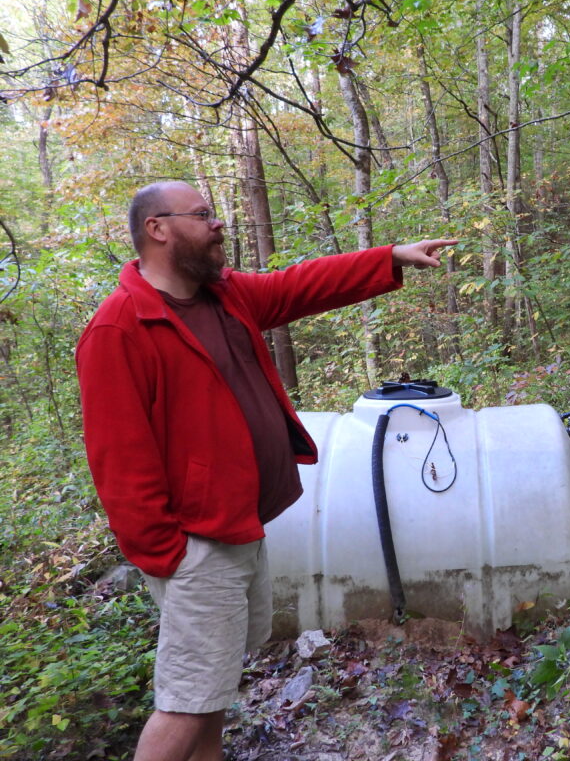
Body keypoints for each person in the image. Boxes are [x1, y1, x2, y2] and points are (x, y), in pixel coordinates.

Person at [75, 180, 456, 761]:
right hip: (197, 544)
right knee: (184, 704)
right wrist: (167, 555)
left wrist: (387, 259)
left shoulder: (223, 295)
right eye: (202, 215)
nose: (217, 223)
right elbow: (118, 459)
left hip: (240, 525)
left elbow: (299, 285)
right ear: (158, 229)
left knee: (212, 688)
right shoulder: (121, 327)